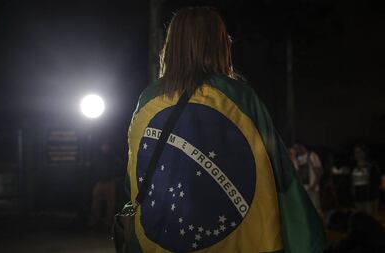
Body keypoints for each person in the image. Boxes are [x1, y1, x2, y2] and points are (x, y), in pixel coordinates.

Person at [124, 7, 324, 253]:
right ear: (219, 45)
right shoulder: (238, 97)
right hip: (238, 242)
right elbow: (278, 171)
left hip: (162, 241)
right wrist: (307, 234)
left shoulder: (148, 99)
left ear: (171, 46)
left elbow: (134, 175)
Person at [89, 142, 122, 231]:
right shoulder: (97, 157)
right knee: (95, 203)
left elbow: (120, 167)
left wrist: (116, 177)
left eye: (107, 146)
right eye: (104, 146)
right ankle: (95, 222)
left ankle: (108, 224)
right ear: (101, 147)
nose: (105, 147)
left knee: (110, 205)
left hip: (110, 183)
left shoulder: (113, 157)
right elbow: (93, 168)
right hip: (99, 182)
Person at [351, 143, 381, 217]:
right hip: (358, 198)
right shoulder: (353, 167)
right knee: (361, 220)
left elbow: (377, 181)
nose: (357, 154)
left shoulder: (371, 166)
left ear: (364, 153)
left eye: (359, 151)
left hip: (369, 198)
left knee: (371, 220)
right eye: (355, 152)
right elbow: (351, 183)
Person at [293, 143, 323, 211]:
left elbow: (319, 171)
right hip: (303, 190)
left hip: (312, 189)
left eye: (296, 148)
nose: (296, 150)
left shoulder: (312, 155)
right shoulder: (298, 159)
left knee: (315, 209)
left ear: (302, 146)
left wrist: (314, 185)